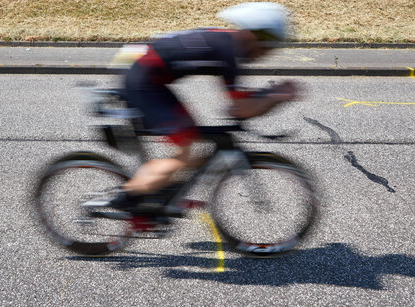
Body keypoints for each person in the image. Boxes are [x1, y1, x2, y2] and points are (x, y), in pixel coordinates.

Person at [110, 2, 298, 220]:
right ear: (252, 35)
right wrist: (275, 96)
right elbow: (241, 109)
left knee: (197, 150)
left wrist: (267, 96)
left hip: (152, 79)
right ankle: (127, 197)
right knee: (186, 155)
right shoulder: (229, 53)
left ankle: (159, 193)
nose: (267, 53)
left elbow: (237, 105)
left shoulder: (229, 44)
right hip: (144, 83)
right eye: (268, 45)